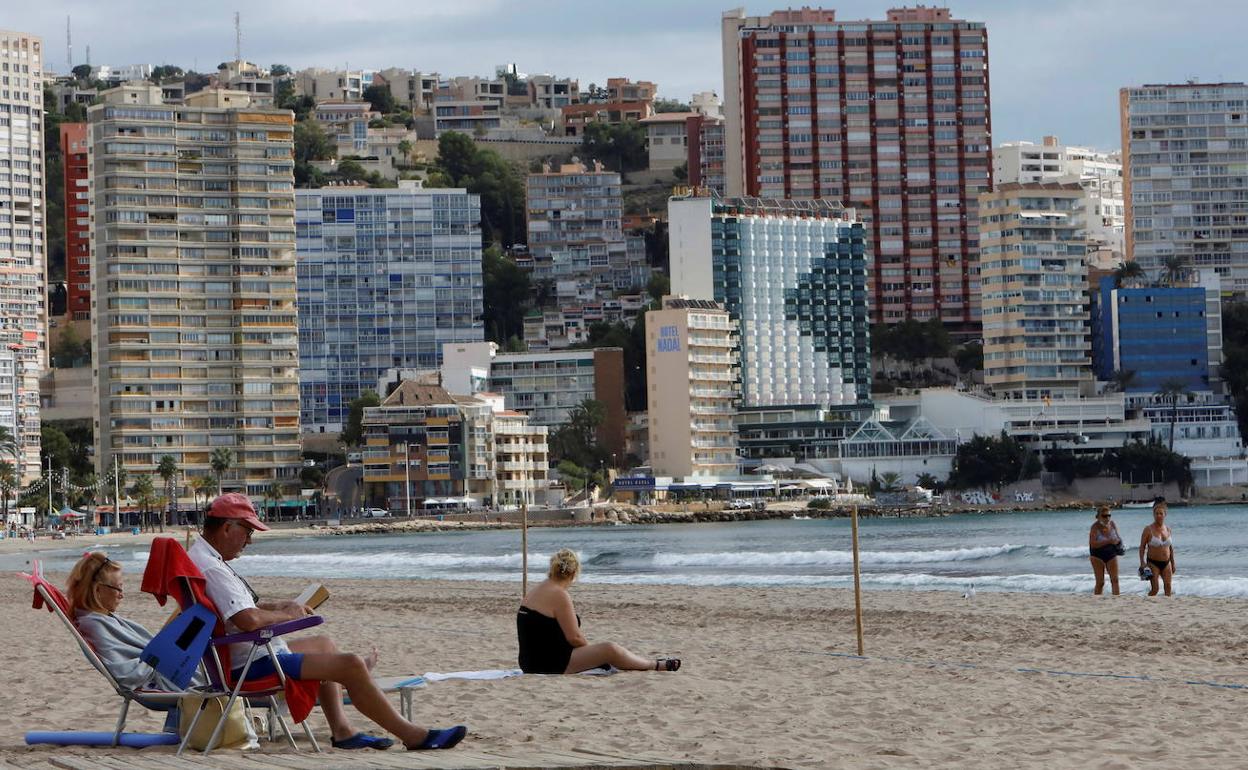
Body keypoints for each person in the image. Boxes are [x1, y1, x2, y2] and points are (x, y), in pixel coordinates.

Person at [190, 493, 466, 751]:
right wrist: (288, 616)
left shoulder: (202, 559)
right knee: (350, 664)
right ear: (227, 528)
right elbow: (248, 619)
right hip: (252, 664)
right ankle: (414, 736)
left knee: (324, 645)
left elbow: (237, 609)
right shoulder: (213, 568)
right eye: (247, 532)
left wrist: (278, 606)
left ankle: (343, 730)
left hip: (244, 654)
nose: (249, 541)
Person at [517, 548, 681, 674]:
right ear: (574, 573)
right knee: (610, 649)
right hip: (547, 663)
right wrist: (593, 654)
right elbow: (574, 637)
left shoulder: (537, 590)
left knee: (605, 650)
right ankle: (654, 665)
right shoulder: (559, 595)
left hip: (528, 662)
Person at [67, 551, 209, 693]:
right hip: (166, 678)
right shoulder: (94, 625)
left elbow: (150, 648)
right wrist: (162, 654)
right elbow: (128, 675)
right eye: (118, 588)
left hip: (165, 665)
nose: (122, 595)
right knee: (203, 616)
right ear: (97, 590)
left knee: (196, 613)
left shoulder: (101, 618)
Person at [1139, 498, 1177, 597]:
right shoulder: (1148, 529)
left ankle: (1167, 609)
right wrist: (1143, 562)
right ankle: (1146, 605)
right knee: (1155, 589)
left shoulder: (1168, 529)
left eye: (1161, 513)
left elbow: (1170, 547)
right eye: (1156, 513)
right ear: (1153, 514)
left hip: (1166, 562)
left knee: (1168, 587)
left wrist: (1173, 563)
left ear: (1165, 515)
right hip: (1153, 562)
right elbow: (1142, 547)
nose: (1158, 515)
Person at [1088, 505, 1122, 595]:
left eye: (1109, 515)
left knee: (1115, 580)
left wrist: (1117, 542)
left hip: (1111, 554)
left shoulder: (1112, 524)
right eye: (1104, 516)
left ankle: (1116, 600)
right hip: (1097, 555)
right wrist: (1108, 541)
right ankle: (1097, 600)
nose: (1107, 518)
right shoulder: (1094, 528)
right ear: (1098, 517)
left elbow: (1118, 537)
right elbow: (1093, 544)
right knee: (1100, 582)